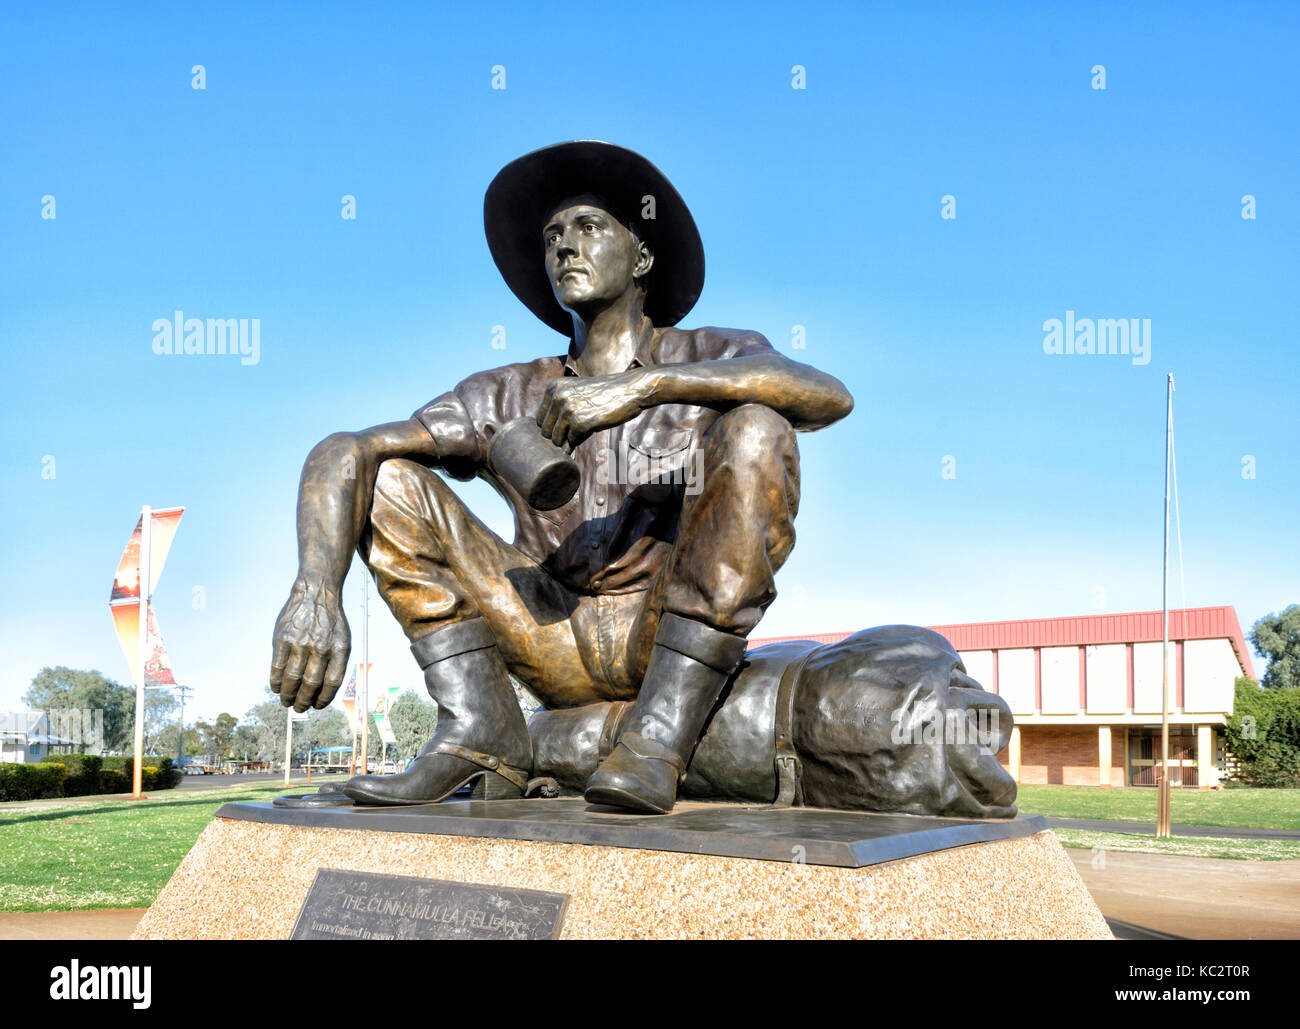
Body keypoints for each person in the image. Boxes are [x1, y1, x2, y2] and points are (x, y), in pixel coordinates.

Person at [269, 142, 853, 814]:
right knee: (387, 477)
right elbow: (344, 448)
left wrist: (646, 387)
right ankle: (480, 729)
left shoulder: (711, 354)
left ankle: (659, 735)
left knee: (758, 424)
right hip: (547, 633)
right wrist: (315, 587)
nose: (564, 247)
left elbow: (828, 395)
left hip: (661, 634)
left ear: (641, 257)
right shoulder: (509, 391)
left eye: (589, 227)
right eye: (552, 236)